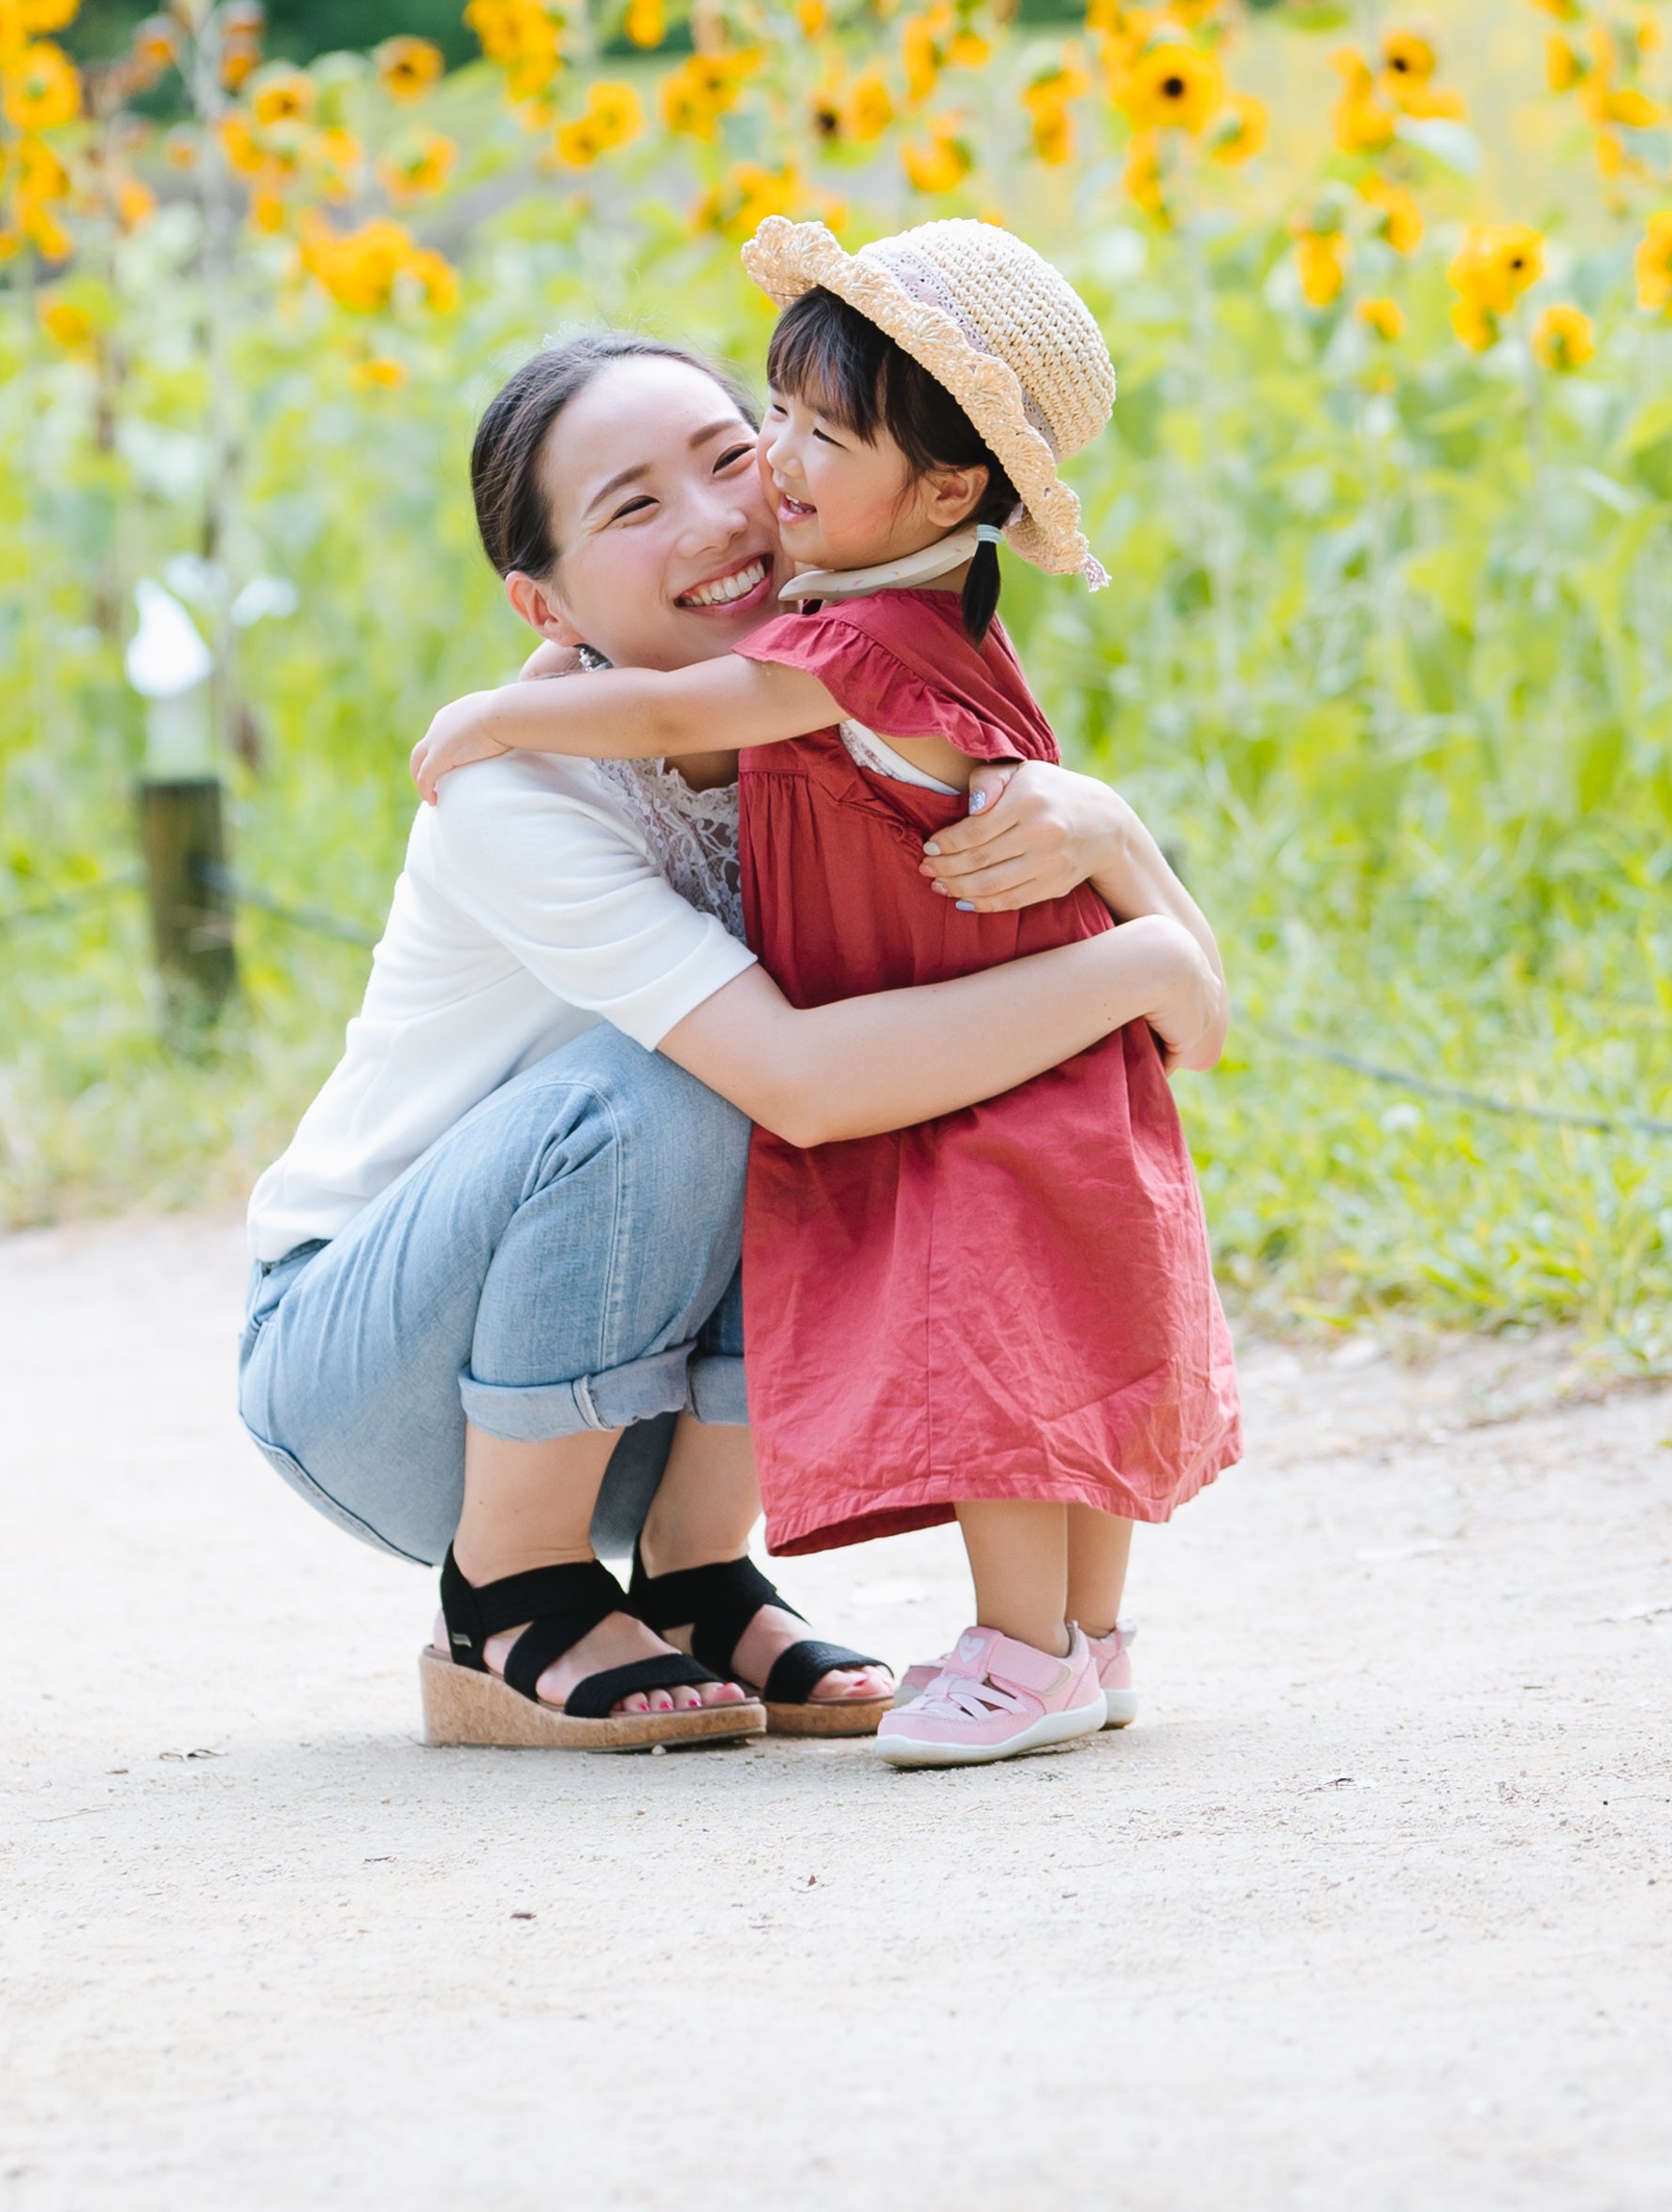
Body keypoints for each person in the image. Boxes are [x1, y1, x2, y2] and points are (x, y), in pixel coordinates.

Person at [241, 329, 1226, 1756]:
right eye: (632, 507)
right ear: (544, 601)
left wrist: (1110, 832)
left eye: (728, 458)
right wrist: (1136, 966)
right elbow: (806, 1086)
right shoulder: (519, 790)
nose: (716, 520)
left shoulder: (827, 724)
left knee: (876, 1083)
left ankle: (696, 1574)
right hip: (371, 1373)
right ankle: (507, 1591)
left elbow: (1020, 973)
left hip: (615, 1387)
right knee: (687, 1083)